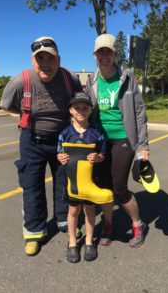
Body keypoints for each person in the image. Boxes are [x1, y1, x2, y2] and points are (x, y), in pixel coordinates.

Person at [0, 36, 82, 256]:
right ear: (32, 60)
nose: (45, 63)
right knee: (32, 185)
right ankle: (34, 232)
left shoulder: (69, 78)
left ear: (59, 59)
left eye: (50, 58)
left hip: (62, 140)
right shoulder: (21, 81)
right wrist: (26, 114)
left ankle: (65, 221)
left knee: (64, 182)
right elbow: (5, 104)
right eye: (40, 58)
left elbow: (80, 101)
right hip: (31, 140)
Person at [85, 33, 150, 248]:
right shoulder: (91, 81)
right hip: (101, 141)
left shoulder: (127, 77)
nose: (104, 55)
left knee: (119, 187)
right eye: (100, 52)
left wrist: (143, 146)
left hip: (124, 138)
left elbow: (139, 112)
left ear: (114, 54)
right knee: (103, 187)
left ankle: (138, 224)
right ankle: (108, 225)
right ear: (95, 55)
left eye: (108, 51)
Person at [57, 92, 110, 263]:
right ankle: (72, 242)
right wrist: (60, 157)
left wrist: (98, 158)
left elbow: (103, 154)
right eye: (77, 108)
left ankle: (88, 241)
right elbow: (59, 153)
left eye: (85, 108)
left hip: (91, 181)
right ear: (70, 110)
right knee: (73, 211)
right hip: (72, 183)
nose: (81, 111)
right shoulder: (65, 133)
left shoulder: (96, 133)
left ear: (91, 110)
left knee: (89, 211)